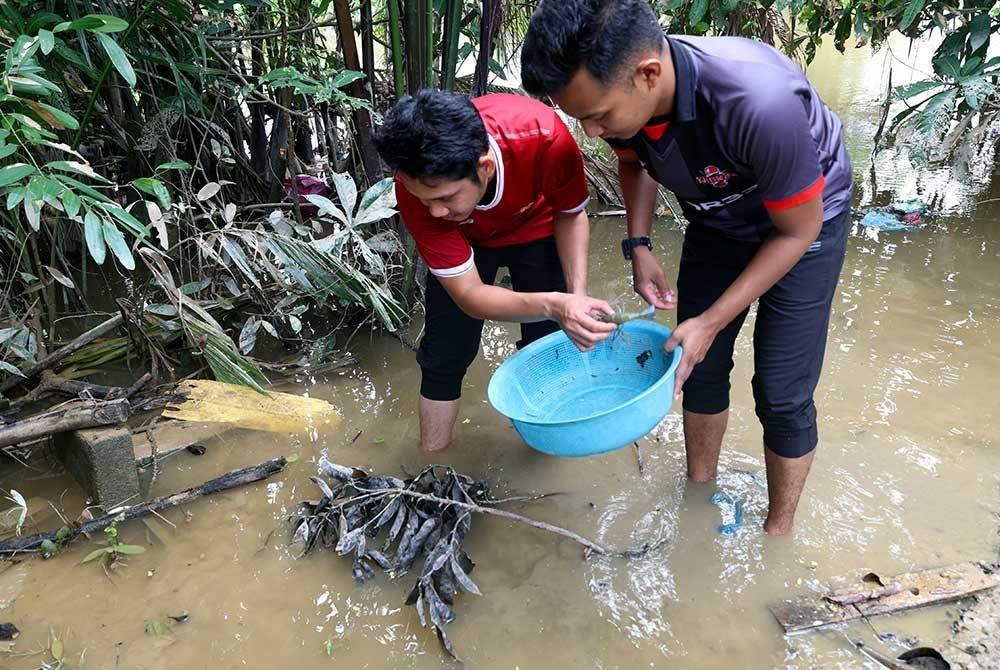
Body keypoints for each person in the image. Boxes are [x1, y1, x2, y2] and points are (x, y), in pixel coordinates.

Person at [521, 0, 853, 535]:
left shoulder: (756, 103)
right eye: (578, 117)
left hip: (805, 224)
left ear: (649, 73)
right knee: (693, 365)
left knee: (782, 391)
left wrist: (712, 320)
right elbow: (633, 160)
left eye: (598, 116)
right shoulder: (626, 102)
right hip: (718, 220)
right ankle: (698, 495)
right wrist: (639, 243)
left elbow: (796, 231)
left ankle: (778, 532)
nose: (590, 134)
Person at [372, 90, 617, 452]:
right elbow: (470, 296)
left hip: (538, 224)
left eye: (444, 198)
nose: (434, 211)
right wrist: (553, 304)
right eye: (427, 201)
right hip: (466, 238)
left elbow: (570, 213)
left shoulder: (545, 138)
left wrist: (573, 298)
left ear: (484, 168)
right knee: (444, 354)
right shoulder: (416, 190)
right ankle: (432, 462)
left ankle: (546, 455)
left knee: (548, 344)